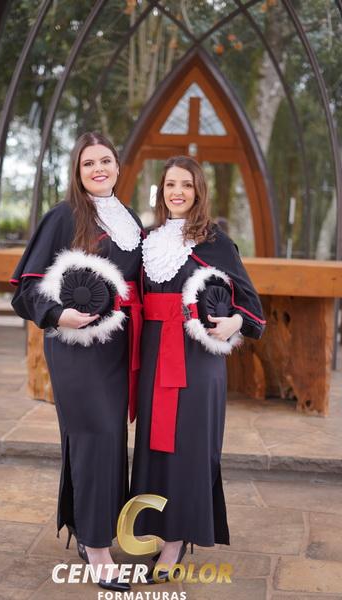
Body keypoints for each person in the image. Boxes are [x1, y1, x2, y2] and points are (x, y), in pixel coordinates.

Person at [10, 132, 143, 592]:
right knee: (95, 435)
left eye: (105, 160)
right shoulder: (64, 215)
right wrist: (56, 315)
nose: (98, 169)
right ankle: (97, 547)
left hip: (118, 347)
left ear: (118, 166)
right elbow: (26, 288)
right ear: (77, 171)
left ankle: (92, 528)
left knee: (109, 438)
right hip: (75, 348)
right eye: (89, 163)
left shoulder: (130, 218)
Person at [130, 155, 266, 584]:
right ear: (161, 191)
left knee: (188, 445)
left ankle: (175, 543)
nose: (178, 192)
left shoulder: (216, 242)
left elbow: (251, 306)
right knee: (155, 444)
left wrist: (234, 323)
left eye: (186, 185)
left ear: (198, 191)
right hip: (155, 353)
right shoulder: (147, 239)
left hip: (196, 358)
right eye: (171, 184)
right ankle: (156, 527)